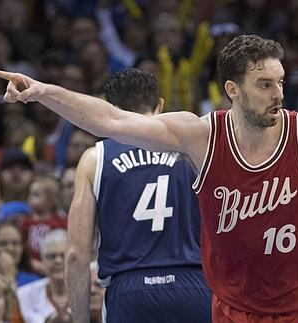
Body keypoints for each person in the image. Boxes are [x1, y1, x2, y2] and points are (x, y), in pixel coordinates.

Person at [0, 34, 298, 322]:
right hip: (233, 311)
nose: (278, 94)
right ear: (233, 90)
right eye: (264, 85)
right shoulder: (202, 137)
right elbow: (111, 121)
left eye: (281, 83)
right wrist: (44, 92)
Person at [65, 68, 211, 322]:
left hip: (129, 291)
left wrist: (80, 319)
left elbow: (76, 255)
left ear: (107, 109)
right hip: (193, 285)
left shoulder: (94, 159)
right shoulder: (194, 151)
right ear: (160, 105)